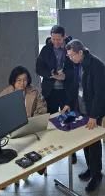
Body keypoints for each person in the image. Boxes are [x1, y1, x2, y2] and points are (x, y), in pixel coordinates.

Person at [61, 39, 105, 192]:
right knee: (85, 142)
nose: (70, 58)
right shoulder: (78, 64)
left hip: (94, 111)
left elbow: (100, 94)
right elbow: (76, 86)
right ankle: (90, 168)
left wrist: (94, 116)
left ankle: (96, 175)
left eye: (72, 55)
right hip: (81, 109)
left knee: (93, 143)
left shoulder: (96, 65)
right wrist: (69, 103)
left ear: (80, 52)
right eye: (68, 56)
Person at [36, 25, 77, 164]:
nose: (55, 42)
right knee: (51, 123)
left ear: (64, 36)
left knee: (69, 121)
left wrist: (65, 76)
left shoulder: (71, 48)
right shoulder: (46, 49)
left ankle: (72, 151)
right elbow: (38, 68)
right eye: (53, 39)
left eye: (58, 40)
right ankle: (53, 149)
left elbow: (77, 69)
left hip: (67, 92)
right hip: (51, 92)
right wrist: (51, 75)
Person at [0, 66, 47, 185]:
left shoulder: (34, 91)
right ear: (13, 81)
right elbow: (0, 115)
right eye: (19, 80)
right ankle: (13, 175)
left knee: (35, 145)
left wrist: (31, 121)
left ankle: (27, 170)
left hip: (29, 128)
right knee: (12, 151)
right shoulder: (5, 94)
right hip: (11, 131)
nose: (22, 83)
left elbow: (42, 109)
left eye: (25, 79)